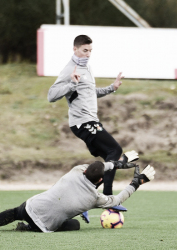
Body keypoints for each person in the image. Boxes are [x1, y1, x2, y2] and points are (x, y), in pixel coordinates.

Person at [47, 35, 128, 221]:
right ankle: (108, 198)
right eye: (85, 50)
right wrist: (71, 83)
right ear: (74, 49)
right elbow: (51, 96)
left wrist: (112, 88)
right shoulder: (70, 69)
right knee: (115, 150)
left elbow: (90, 93)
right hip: (83, 123)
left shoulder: (87, 67)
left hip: (90, 121)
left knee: (108, 159)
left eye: (90, 50)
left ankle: (83, 201)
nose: (88, 54)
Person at [0, 160, 155, 233]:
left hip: (31, 207)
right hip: (44, 226)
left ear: (86, 171)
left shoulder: (76, 170)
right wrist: (138, 181)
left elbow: (99, 167)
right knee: (75, 224)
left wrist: (119, 163)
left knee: (14, 212)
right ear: (101, 181)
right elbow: (117, 199)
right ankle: (27, 229)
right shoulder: (95, 199)